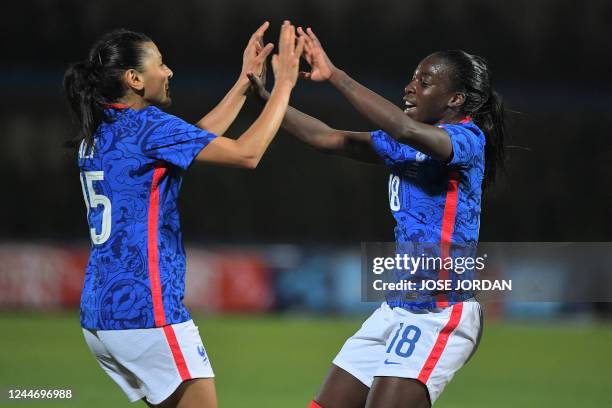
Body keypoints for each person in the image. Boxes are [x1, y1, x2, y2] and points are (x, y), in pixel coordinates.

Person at [249, 27, 506, 408]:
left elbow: (402, 126)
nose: (409, 87)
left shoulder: (466, 141)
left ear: (455, 99)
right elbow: (327, 138)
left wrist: (335, 75)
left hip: (439, 311)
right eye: (413, 78)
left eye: (424, 81)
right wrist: (266, 98)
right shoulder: (405, 143)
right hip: (398, 307)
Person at [63, 21, 304, 408]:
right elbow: (247, 153)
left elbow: (192, 139)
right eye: (160, 63)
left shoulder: (102, 127)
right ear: (134, 79)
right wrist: (286, 85)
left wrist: (244, 82)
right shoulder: (147, 126)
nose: (169, 71)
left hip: (100, 314)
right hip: (148, 310)